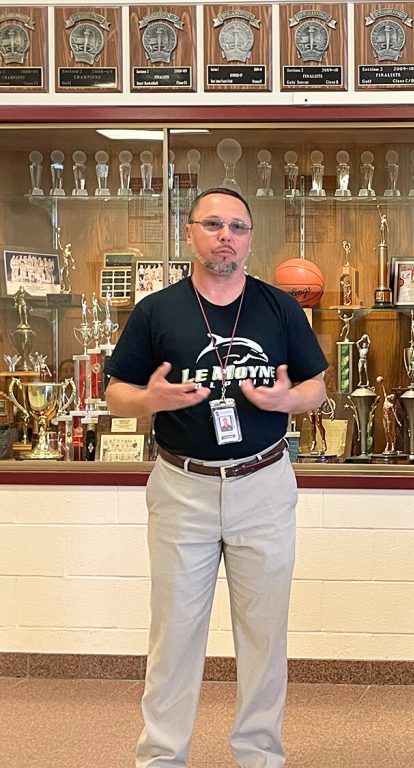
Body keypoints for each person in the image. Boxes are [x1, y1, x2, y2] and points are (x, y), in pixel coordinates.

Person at [104, 187, 328, 768]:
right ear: (190, 233)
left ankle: (258, 756)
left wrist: (286, 400)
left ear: (250, 240)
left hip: (263, 484)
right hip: (183, 487)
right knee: (174, 636)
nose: (225, 235)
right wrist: (148, 398)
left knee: (264, 636)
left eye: (238, 226)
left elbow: (316, 387)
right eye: (213, 224)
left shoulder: (279, 307)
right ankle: (161, 758)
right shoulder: (157, 310)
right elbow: (114, 393)